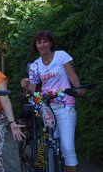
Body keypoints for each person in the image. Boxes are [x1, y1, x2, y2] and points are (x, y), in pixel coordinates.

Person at [22, 30, 84, 172]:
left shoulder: (61, 56)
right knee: (51, 145)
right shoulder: (35, 65)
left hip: (64, 106)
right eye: (39, 42)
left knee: (67, 147)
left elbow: (73, 77)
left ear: (50, 43)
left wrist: (78, 88)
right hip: (47, 109)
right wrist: (24, 86)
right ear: (36, 45)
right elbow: (31, 91)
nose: (42, 44)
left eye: (45, 41)